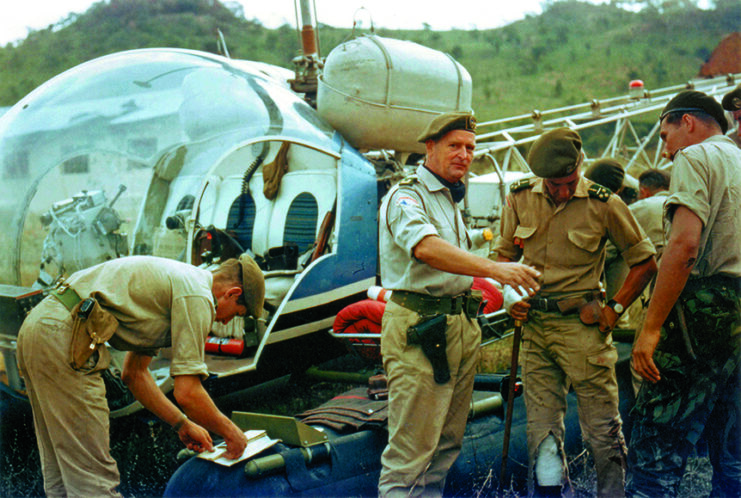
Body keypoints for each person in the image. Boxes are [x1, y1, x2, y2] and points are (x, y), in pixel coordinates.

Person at [377, 111, 541, 497]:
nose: (465, 154)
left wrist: (494, 241)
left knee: (447, 442)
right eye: (454, 146)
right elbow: (427, 248)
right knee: (412, 451)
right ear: (430, 147)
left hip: (457, 328)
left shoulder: (448, 198)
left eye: (470, 148)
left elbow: (456, 246)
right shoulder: (406, 196)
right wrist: (497, 270)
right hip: (422, 330)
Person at [17, 254, 265, 497]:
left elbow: (134, 374)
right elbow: (188, 393)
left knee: (62, 479)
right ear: (232, 293)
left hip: (40, 327)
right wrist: (233, 433)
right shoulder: (198, 296)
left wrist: (182, 424)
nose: (227, 322)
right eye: (237, 313)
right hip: (65, 338)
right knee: (93, 484)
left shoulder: (178, 282)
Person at [495, 127, 657, 497]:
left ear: (580, 166)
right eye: (554, 184)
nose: (563, 191)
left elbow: (645, 262)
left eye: (569, 182)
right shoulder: (519, 198)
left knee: (603, 429)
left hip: (584, 330)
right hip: (535, 327)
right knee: (541, 426)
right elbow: (504, 258)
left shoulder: (604, 203)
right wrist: (509, 293)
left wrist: (614, 310)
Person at [627, 90, 741, 496]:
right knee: (732, 447)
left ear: (687, 122)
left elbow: (684, 247)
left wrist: (651, 327)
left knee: (656, 442)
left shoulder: (696, 157)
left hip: (703, 312)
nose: (665, 148)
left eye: (664, 134)